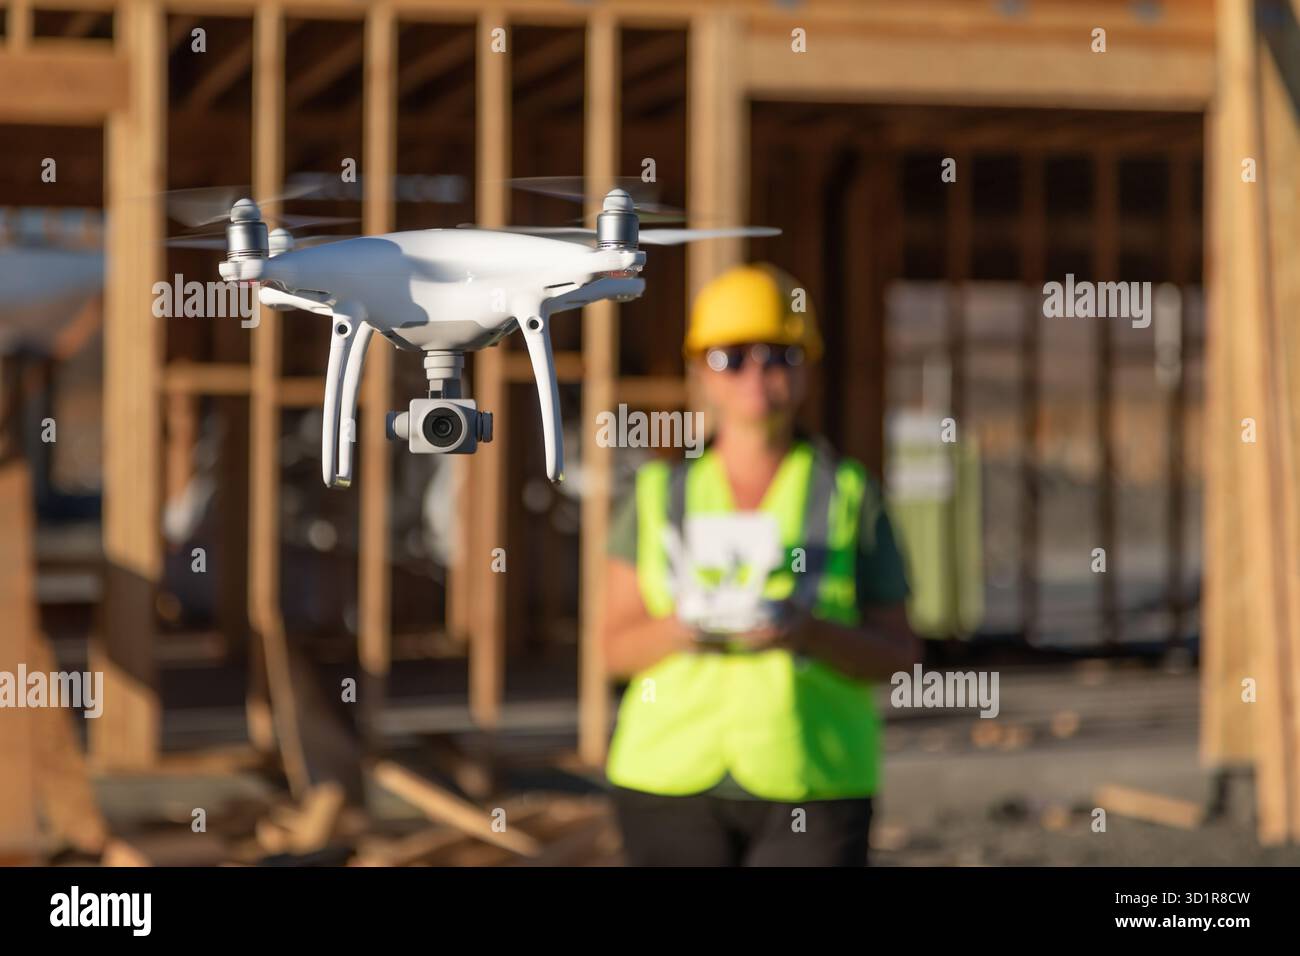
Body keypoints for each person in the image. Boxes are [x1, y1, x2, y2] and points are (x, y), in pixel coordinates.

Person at [602, 263, 920, 867]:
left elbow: (899, 655)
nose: (757, 371)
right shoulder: (652, 497)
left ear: (806, 369)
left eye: (779, 354)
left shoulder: (852, 496)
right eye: (731, 356)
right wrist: (682, 628)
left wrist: (808, 632)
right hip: (667, 783)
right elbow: (611, 648)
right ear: (701, 369)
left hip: (815, 780)